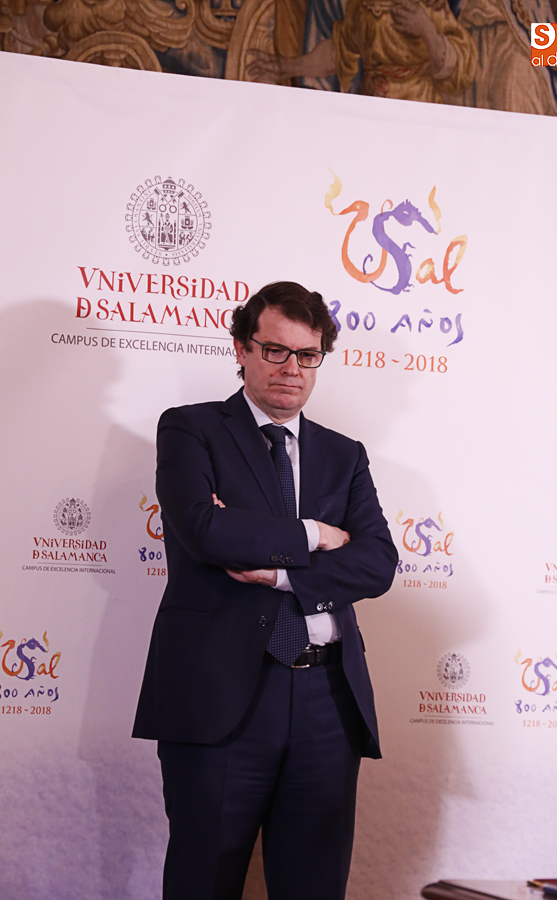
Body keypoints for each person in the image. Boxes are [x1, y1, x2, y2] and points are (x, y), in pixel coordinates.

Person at [133, 281, 398, 900]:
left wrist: (280, 570)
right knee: (203, 882)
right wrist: (316, 534)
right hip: (221, 695)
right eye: (275, 350)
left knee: (314, 886)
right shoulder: (191, 429)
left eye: (307, 355)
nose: (291, 368)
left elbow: (378, 563)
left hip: (328, 699)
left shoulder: (344, 455)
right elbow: (205, 530)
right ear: (241, 348)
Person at [248, 0, 476, 103]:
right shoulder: (362, 6)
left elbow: (460, 70)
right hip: (370, 104)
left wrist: (426, 29)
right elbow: (339, 51)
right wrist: (287, 67)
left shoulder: (429, 5)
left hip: (416, 108)